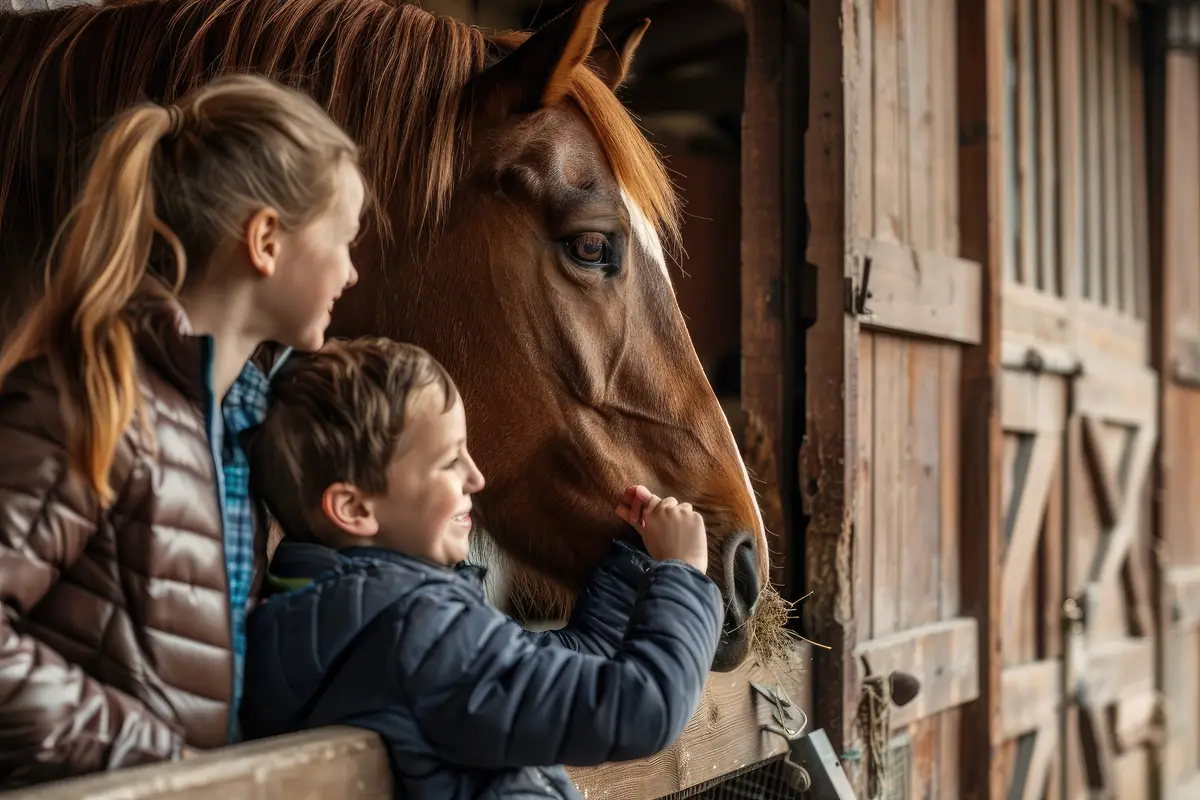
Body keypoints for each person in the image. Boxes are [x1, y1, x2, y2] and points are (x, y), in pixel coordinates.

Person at [0, 73, 366, 787]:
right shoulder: (90, 400)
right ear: (265, 240)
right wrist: (155, 757)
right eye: (345, 241)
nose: (352, 274)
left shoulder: (238, 426)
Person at [239, 338, 722, 800]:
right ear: (353, 508)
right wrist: (683, 572)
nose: (477, 476)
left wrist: (634, 565)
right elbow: (643, 708)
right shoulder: (419, 632)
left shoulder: (340, 626)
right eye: (450, 460)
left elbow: (559, 670)